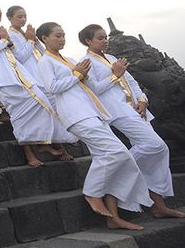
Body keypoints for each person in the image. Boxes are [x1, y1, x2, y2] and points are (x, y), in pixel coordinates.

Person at [36, 22, 153, 230]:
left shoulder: (71, 60)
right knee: (117, 153)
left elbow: (95, 87)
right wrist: (76, 74)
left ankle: (113, 217)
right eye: (57, 36)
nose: (62, 39)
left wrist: (114, 75)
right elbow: (52, 88)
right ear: (44, 38)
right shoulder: (46, 62)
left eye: (63, 35)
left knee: (115, 157)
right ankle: (92, 192)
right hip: (76, 115)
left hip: (93, 112)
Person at [79, 24, 185, 219]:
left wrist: (143, 100)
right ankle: (120, 164)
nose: (105, 41)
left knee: (161, 151)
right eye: (100, 38)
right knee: (156, 145)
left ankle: (158, 203)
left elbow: (132, 82)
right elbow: (94, 91)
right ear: (88, 41)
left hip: (135, 109)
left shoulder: (111, 58)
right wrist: (115, 75)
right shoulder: (87, 62)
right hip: (117, 111)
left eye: (105, 37)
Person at [0, 5, 76, 166]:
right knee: (19, 115)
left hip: (19, 77)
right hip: (2, 80)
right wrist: (5, 40)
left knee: (42, 104)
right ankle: (30, 155)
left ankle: (44, 143)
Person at [6, 6, 45, 82]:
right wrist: (30, 41)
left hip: (42, 70)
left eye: (25, 17)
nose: (23, 19)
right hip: (31, 73)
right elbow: (21, 57)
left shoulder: (27, 33)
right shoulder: (10, 36)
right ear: (10, 18)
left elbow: (43, 53)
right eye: (19, 17)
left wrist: (35, 40)